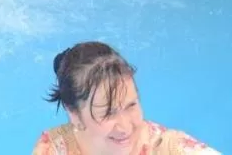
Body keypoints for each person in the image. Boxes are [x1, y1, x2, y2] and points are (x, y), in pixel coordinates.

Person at [33, 41, 219, 155]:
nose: (125, 127)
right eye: (108, 113)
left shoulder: (169, 148)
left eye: (131, 105)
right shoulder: (55, 148)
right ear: (74, 114)